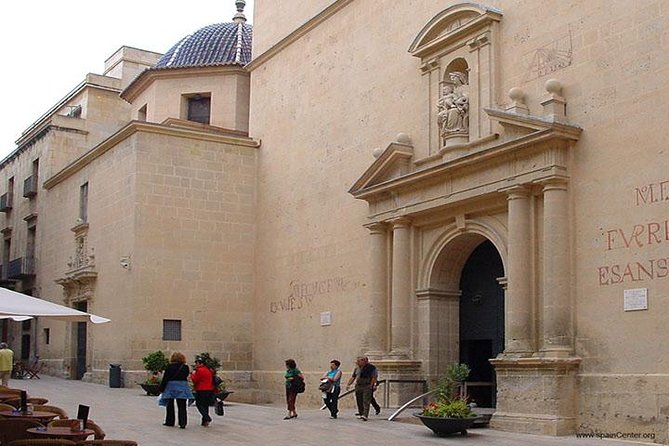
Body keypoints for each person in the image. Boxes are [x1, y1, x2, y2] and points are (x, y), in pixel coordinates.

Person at [158, 352, 193, 429]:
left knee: (170, 405)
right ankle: (182, 422)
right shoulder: (185, 367)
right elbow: (186, 376)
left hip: (171, 386)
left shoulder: (170, 367)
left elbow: (165, 378)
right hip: (182, 386)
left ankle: (170, 421)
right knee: (182, 405)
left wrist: (161, 388)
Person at [346, 356, 378, 421]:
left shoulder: (371, 368)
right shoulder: (357, 369)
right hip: (358, 385)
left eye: (359, 361)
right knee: (359, 400)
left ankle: (365, 415)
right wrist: (348, 384)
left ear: (364, 361)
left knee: (366, 400)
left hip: (367, 385)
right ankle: (361, 413)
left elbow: (374, 377)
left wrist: (373, 385)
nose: (357, 362)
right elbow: (353, 377)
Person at [190, 356, 216, 427]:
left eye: (197, 363)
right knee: (205, 405)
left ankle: (207, 418)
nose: (196, 365)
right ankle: (204, 422)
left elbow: (195, 380)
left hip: (201, 389)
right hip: (209, 389)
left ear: (200, 363)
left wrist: (192, 375)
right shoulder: (209, 370)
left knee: (199, 404)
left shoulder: (199, 370)